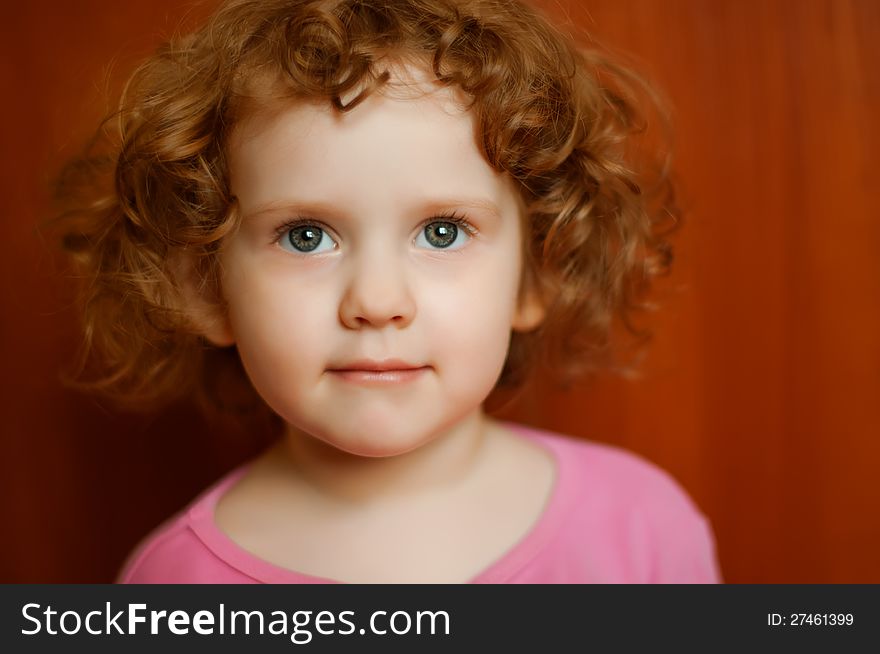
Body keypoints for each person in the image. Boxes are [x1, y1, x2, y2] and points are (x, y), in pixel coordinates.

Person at [52, 0, 722, 583]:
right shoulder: (174, 585)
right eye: (307, 236)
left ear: (537, 273)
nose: (376, 301)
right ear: (204, 288)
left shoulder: (642, 529)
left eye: (441, 232)